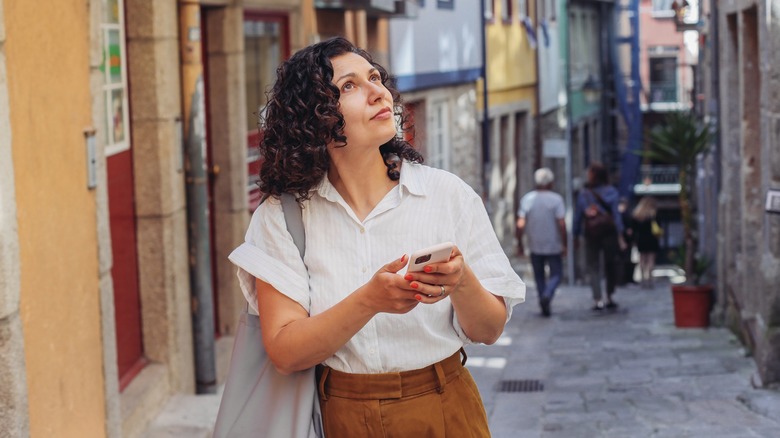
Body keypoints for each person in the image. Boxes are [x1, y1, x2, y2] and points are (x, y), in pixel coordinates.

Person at [229, 37, 525, 437]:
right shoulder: (283, 216)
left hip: (444, 404)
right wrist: (370, 300)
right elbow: (284, 351)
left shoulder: (446, 194)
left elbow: (489, 330)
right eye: (349, 86)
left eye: (374, 77)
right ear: (313, 117)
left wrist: (460, 280)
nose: (377, 92)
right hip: (342, 416)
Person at [573, 162, 626, 310]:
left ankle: (597, 298)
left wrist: (576, 235)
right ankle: (609, 295)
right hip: (609, 232)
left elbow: (578, 216)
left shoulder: (584, 193)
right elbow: (616, 216)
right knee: (611, 264)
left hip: (592, 233)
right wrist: (620, 234)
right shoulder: (612, 192)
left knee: (593, 266)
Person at [516, 168, 566, 317]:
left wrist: (519, 242)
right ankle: (548, 295)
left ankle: (543, 299)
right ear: (550, 183)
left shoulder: (528, 199)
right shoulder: (556, 199)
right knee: (556, 273)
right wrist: (565, 242)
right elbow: (561, 223)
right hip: (553, 244)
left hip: (535, 243)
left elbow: (520, 223)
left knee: (539, 275)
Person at [631, 196, 661, 288]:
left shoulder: (637, 215)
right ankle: (649, 279)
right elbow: (659, 227)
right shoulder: (654, 215)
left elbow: (634, 229)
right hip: (652, 239)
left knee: (642, 260)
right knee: (651, 260)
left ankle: (643, 278)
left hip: (641, 239)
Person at [617, 197, 638, 286]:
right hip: (622, 241)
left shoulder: (625, 214)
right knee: (623, 260)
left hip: (626, 241)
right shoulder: (621, 215)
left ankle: (625, 279)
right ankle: (623, 279)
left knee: (626, 260)